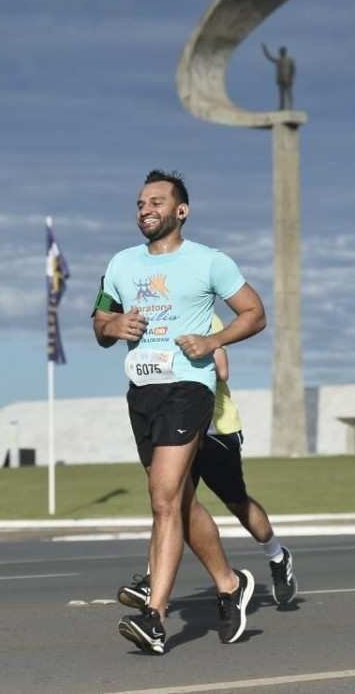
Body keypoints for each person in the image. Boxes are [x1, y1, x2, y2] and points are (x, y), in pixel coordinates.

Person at [93, 169, 266, 655]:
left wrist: (213, 341)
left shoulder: (210, 261)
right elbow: (100, 322)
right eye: (140, 203)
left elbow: (255, 313)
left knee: (163, 500)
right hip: (142, 391)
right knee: (178, 502)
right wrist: (114, 327)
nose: (145, 209)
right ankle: (230, 584)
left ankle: (155, 616)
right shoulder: (121, 264)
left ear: (181, 211)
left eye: (156, 202)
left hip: (188, 387)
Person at [118, 312, 298, 612]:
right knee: (169, 501)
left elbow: (222, 371)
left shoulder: (203, 317)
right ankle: (151, 581)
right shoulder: (160, 316)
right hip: (177, 424)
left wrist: (182, 364)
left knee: (237, 503)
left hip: (216, 429)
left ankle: (277, 555)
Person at [261, 43, 296, 110]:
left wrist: (291, 79)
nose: (281, 52)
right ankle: (282, 107)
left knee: (289, 93)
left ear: (285, 52)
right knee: (281, 94)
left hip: (288, 79)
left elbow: (293, 70)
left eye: (282, 51)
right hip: (280, 79)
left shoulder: (290, 60)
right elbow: (269, 57)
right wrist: (265, 50)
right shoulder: (279, 60)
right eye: (281, 51)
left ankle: (291, 106)